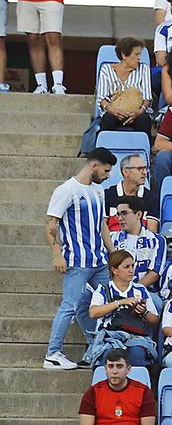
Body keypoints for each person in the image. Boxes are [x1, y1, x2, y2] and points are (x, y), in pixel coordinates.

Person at [44, 148, 115, 370]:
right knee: (70, 305)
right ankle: (52, 354)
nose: (108, 176)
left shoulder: (99, 190)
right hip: (77, 261)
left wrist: (113, 252)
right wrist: (57, 254)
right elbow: (51, 224)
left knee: (109, 301)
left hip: (99, 261)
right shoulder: (66, 190)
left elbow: (101, 224)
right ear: (94, 166)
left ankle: (97, 345)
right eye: (106, 170)